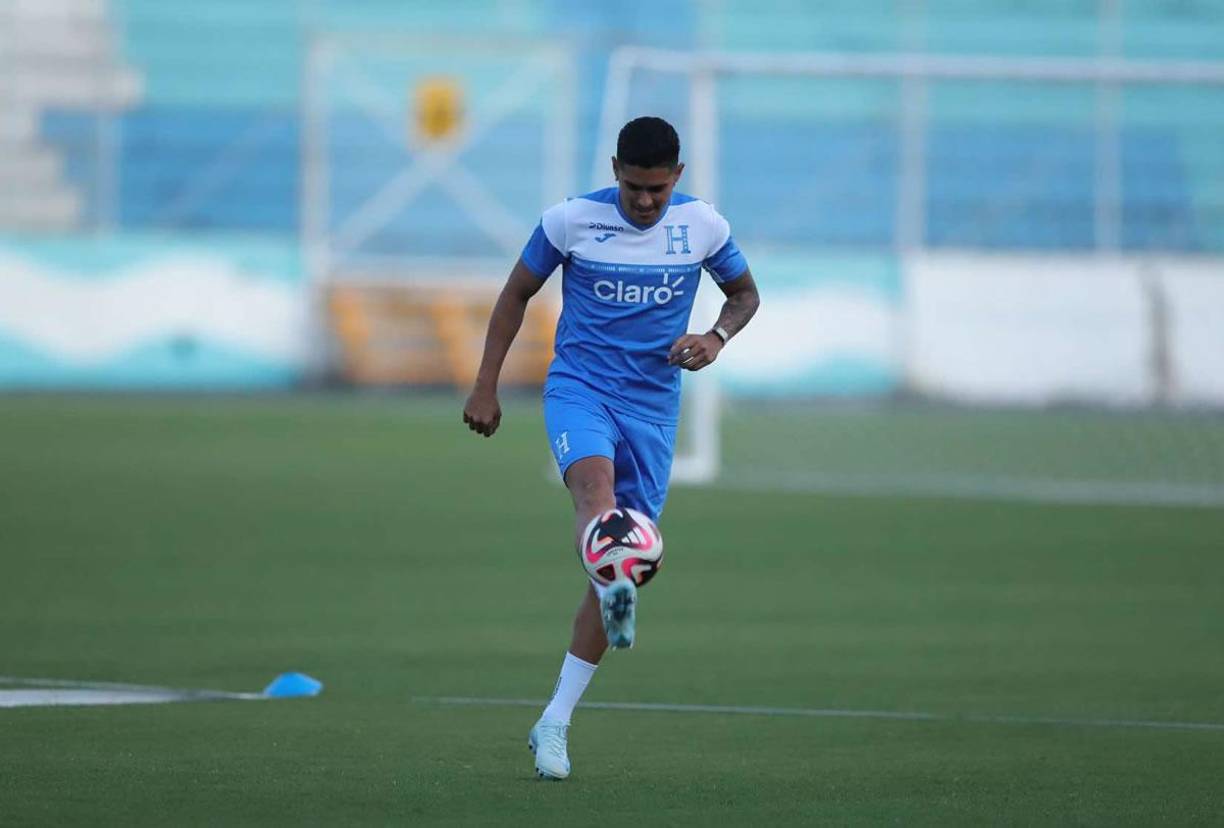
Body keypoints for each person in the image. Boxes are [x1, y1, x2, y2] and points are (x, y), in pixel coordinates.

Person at [462, 116, 760, 780]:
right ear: (614, 170)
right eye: (633, 187)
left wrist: (714, 338)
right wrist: (486, 385)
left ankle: (555, 721)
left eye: (656, 189)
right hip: (580, 389)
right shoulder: (570, 221)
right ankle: (618, 574)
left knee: (615, 553)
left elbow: (744, 295)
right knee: (596, 499)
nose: (645, 201)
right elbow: (516, 293)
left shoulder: (703, 226)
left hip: (652, 408)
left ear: (676, 177)